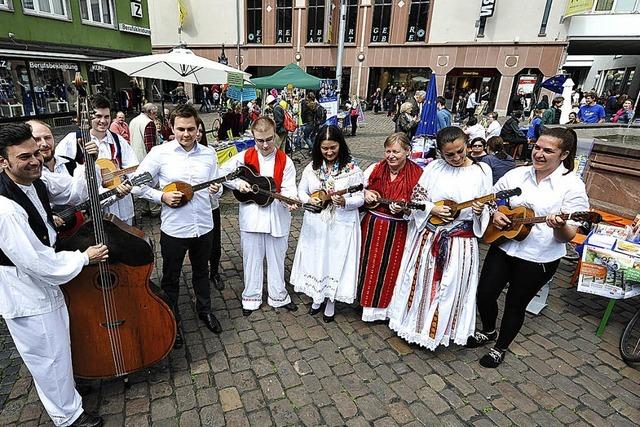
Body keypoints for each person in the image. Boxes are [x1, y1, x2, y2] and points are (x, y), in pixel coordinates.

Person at [0, 123, 108, 427]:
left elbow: (74, 192)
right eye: (24, 157)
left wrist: (88, 163)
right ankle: (68, 417)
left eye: (36, 153)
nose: (34, 160)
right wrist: (83, 258)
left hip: (41, 281)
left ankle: (67, 391)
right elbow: (37, 262)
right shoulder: (5, 209)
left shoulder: (34, 181)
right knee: (46, 354)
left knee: (59, 344)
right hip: (25, 289)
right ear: (3, 162)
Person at [468, 127, 589, 368]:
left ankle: (500, 347)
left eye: (548, 150)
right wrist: (497, 213)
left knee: (515, 303)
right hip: (504, 247)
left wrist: (559, 225)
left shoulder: (572, 186)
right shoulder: (518, 174)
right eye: (537, 148)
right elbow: (495, 196)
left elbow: (568, 236)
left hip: (538, 257)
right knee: (485, 293)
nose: (539, 154)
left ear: (563, 155)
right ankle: (489, 330)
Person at [386, 126, 492, 350]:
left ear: (467, 145)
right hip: (430, 235)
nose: (456, 157)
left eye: (460, 151)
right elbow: (417, 198)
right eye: (449, 154)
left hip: (461, 241)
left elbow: (488, 207)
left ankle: (441, 331)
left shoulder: (482, 172)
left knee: (452, 286)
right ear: (441, 153)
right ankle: (415, 327)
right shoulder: (434, 167)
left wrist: (480, 211)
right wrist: (432, 209)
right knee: (423, 282)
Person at [132, 104, 224, 349]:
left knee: (201, 271)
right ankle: (170, 321)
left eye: (191, 129)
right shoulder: (159, 154)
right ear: (171, 128)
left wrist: (218, 189)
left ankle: (204, 310)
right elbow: (135, 184)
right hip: (174, 229)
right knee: (171, 277)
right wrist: (160, 197)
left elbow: (218, 190)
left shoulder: (208, 154)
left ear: (198, 129)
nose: (186, 134)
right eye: (181, 129)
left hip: (204, 226)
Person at [218, 116, 299, 316]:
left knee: (277, 258)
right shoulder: (244, 156)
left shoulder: (285, 160)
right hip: (252, 215)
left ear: (276, 137)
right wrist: (238, 184)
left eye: (269, 139)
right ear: (253, 137)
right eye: (259, 140)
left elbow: (289, 187)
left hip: (277, 216)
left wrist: (289, 199)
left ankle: (278, 296)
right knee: (251, 258)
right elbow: (222, 172)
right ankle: (251, 298)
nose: (264, 145)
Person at [291, 125, 364, 322]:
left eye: (333, 147)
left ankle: (330, 299)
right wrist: (309, 200)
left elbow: (361, 198)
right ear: (318, 148)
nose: (329, 152)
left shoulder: (352, 168)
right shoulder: (312, 167)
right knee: (316, 258)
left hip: (341, 224)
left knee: (334, 259)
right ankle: (317, 295)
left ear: (340, 145)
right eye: (325, 148)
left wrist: (346, 201)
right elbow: (302, 190)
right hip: (316, 223)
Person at [358, 132, 423, 322]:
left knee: (391, 267)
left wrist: (405, 210)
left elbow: (422, 206)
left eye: (396, 151)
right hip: (372, 224)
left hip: (398, 230)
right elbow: (358, 188)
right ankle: (364, 303)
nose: (391, 156)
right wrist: (367, 193)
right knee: (366, 264)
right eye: (388, 151)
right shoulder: (375, 168)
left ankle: (384, 310)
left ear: (408, 151)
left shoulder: (418, 175)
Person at [56, 95, 138, 225]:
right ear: (89, 117)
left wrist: (127, 184)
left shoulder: (118, 140)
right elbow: (59, 173)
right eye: (98, 116)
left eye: (107, 116)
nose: (103, 121)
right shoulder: (72, 140)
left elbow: (134, 169)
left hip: (121, 208)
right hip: (89, 211)